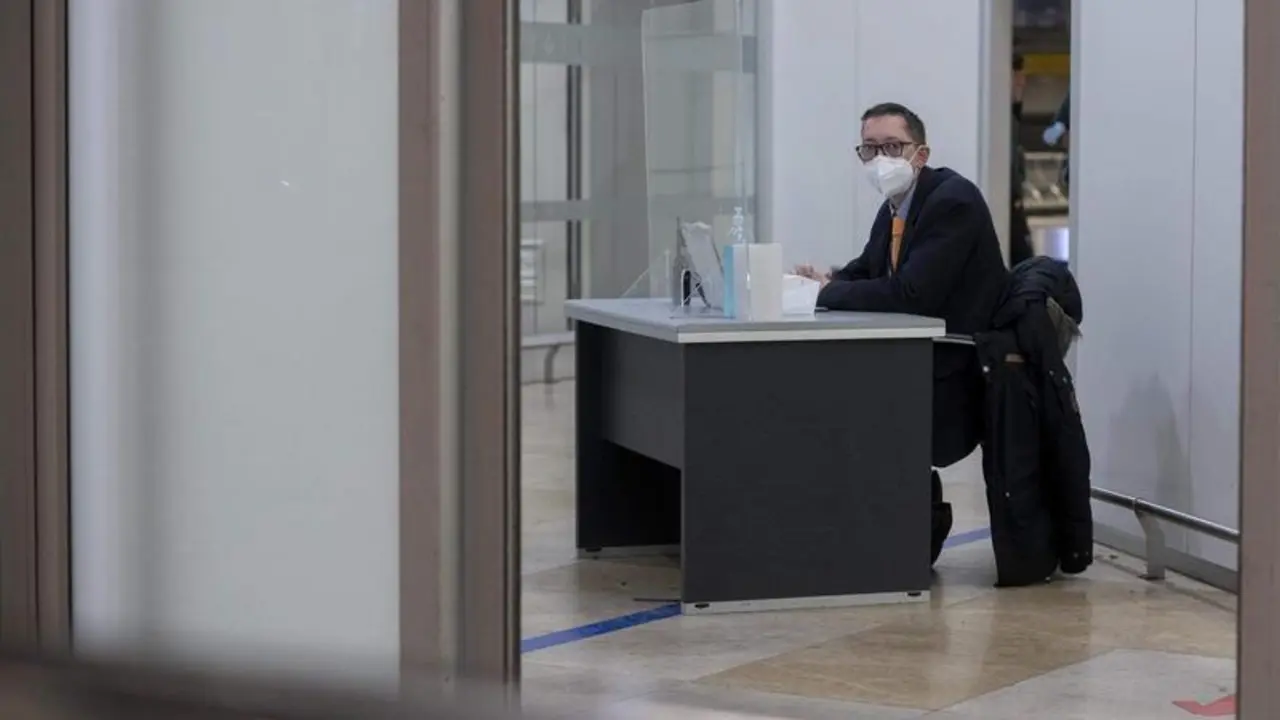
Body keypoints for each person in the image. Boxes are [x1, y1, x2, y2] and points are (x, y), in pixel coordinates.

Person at [794, 102, 1008, 565]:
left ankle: (901, 532)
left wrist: (825, 295)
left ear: (921, 153)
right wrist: (822, 281)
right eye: (869, 149)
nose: (880, 159)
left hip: (956, 364)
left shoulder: (953, 201)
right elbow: (864, 270)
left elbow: (911, 293)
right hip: (914, 355)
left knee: (836, 397)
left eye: (892, 146)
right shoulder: (896, 206)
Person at [1010, 54, 1035, 266]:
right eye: (1018, 78)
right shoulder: (1001, 120)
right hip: (1009, 207)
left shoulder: (1012, 118)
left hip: (1015, 207)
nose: (1022, 83)